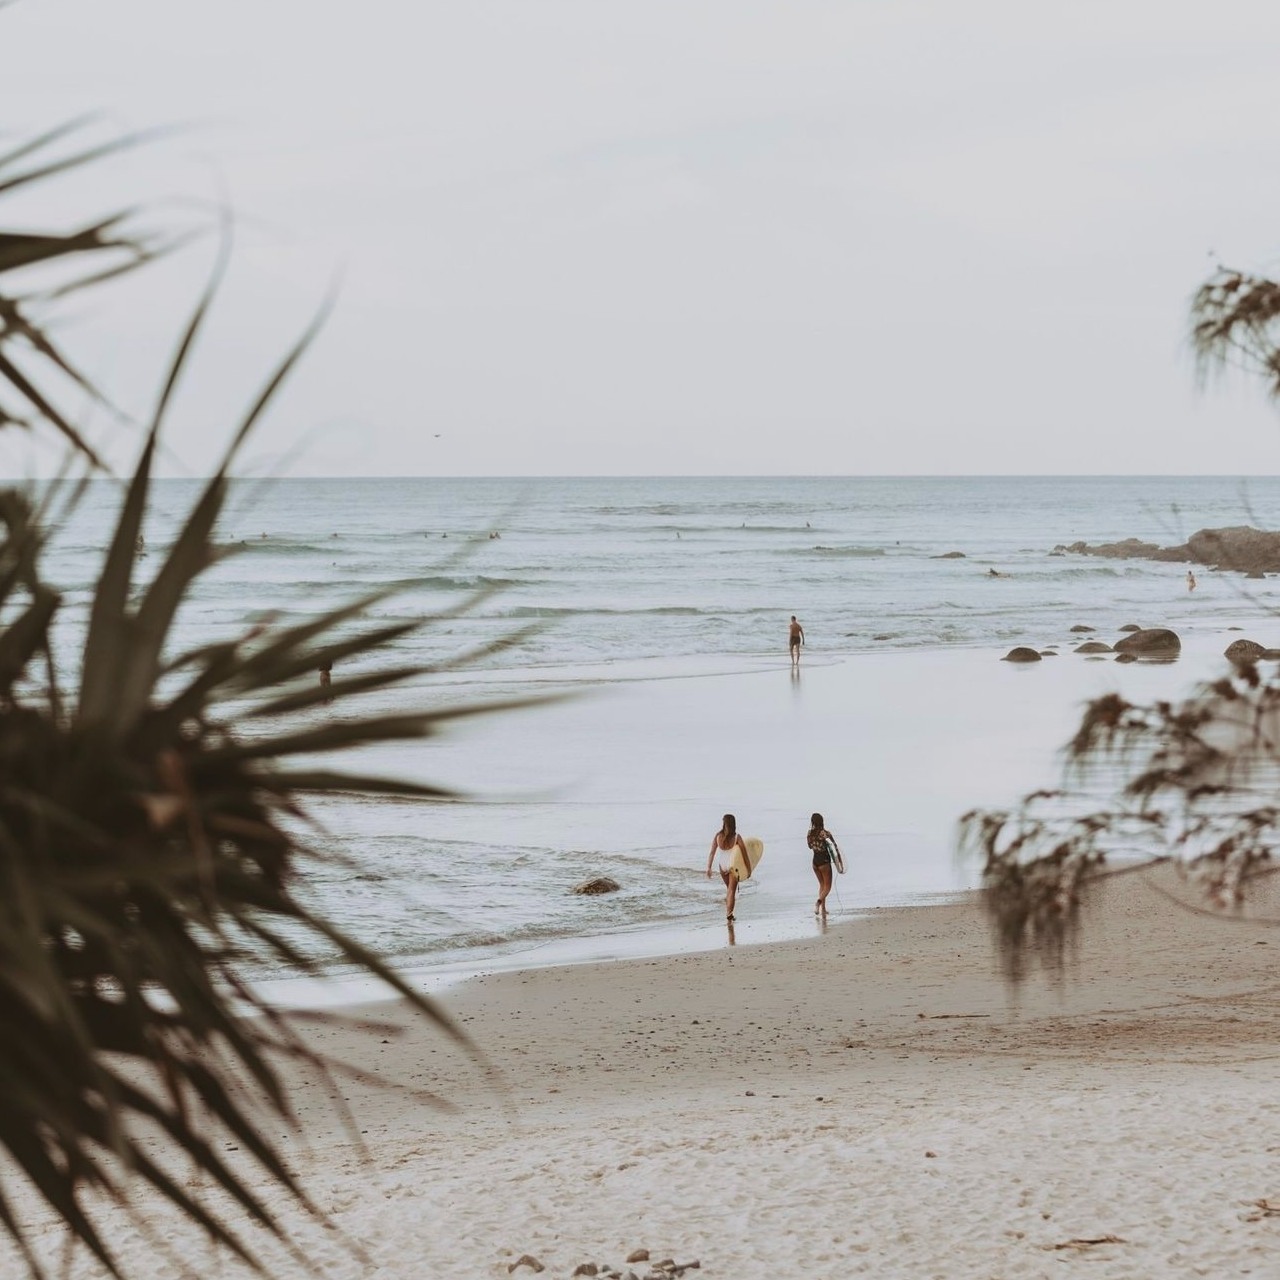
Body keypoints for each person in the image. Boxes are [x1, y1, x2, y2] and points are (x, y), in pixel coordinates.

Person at [706, 813, 748, 922]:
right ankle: (729, 914)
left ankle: (728, 909)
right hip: (733, 866)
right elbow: (745, 854)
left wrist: (709, 868)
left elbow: (712, 853)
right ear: (734, 824)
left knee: (729, 890)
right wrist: (749, 869)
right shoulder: (737, 837)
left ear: (724, 823)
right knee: (731, 891)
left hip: (722, 866)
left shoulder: (718, 836)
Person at [807, 812, 841, 916]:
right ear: (822, 821)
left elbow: (809, 846)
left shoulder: (809, 833)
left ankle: (823, 909)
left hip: (815, 862)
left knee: (822, 885)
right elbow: (834, 847)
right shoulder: (825, 833)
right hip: (824, 862)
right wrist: (840, 861)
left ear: (812, 822)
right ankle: (818, 903)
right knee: (827, 887)